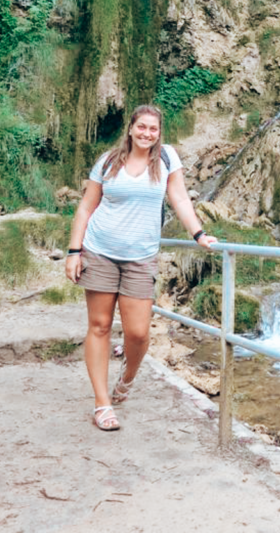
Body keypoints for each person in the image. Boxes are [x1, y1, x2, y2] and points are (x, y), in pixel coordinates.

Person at [64, 104, 217, 430]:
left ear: (159, 133)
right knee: (100, 326)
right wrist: (74, 251)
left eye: (153, 129)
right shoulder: (108, 161)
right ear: (131, 128)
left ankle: (128, 377)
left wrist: (199, 234)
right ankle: (102, 404)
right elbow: (86, 208)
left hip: (141, 257)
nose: (147, 133)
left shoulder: (165, 160)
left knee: (138, 333)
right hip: (100, 250)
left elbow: (180, 199)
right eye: (142, 127)